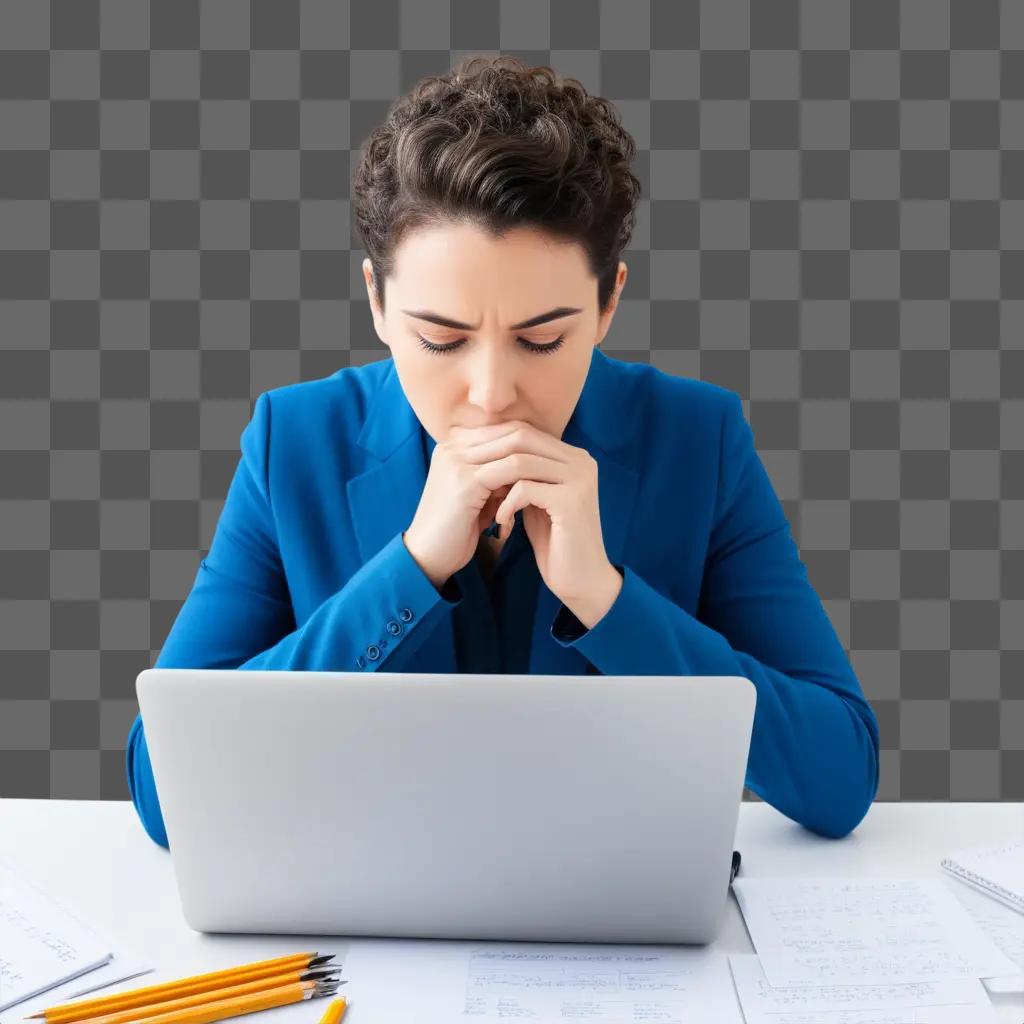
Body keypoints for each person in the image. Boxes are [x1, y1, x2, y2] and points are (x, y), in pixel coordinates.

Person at [126, 54, 879, 850]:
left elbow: (839, 778)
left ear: (609, 301)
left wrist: (607, 600)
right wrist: (409, 570)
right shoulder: (295, 442)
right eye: (441, 340)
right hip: (368, 933)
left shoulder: (699, 440)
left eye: (543, 338)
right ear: (377, 303)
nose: (491, 395)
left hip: (615, 933)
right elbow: (161, 791)